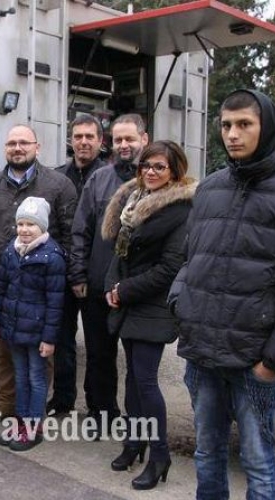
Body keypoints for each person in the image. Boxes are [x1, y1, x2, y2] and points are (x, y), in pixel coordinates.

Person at [168, 89, 275, 499]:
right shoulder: (209, 189)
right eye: (226, 125)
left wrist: (273, 361)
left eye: (244, 125)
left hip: (255, 361)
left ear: (266, 127)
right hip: (202, 355)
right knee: (207, 454)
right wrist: (179, 302)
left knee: (258, 462)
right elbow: (189, 258)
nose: (232, 134)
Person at [101, 141, 196, 490]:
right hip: (129, 303)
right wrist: (112, 285)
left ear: (174, 171)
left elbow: (171, 267)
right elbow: (119, 252)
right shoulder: (134, 202)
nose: (151, 172)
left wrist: (123, 290)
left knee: (145, 381)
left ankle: (160, 455)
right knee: (132, 380)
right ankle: (133, 441)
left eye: (159, 166)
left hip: (153, 305)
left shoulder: (180, 209)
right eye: (146, 166)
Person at [0, 124, 77, 420]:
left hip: (41, 282)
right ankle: (7, 406)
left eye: (24, 143)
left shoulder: (58, 185)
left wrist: (64, 273)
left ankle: (33, 410)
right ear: (5, 148)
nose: (18, 148)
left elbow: (70, 234)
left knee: (41, 351)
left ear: (36, 147)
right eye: (12, 143)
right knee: (4, 348)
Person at [69, 113, 149, 437]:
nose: (124, 145)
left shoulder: (158, 178)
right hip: (99, 286)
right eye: (118, 140)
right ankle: (101, 413)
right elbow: (80, 231)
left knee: (138, 363)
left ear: (144, 139)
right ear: (110, 143)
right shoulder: (99, 180)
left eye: (130, 139)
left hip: (139, 289)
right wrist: (78, 275)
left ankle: (136, 423)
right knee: (100, 356)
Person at [0, 197, 66, 451]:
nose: (24, 229)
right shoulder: (11, 251)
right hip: (13, 330)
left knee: (36, 378)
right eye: (20, 224)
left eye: (30, 225)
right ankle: (21, 422)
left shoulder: (52, 257)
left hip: (37, 334)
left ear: (42, 227)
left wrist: (49, 338)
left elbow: (55, 303)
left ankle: (34, 426)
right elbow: (1, 290)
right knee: (20, 376)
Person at [49, 114, 107, 414]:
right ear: (70, 140)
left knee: (99, 347)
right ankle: (62, 401)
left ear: (100, 141)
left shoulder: (110, 177)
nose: (83, 141)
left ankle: (99, 408)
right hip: (61, 274)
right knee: (62, 343)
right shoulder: (57, 177)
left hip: (95, 276)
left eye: (90, 136)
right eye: (78, 136)